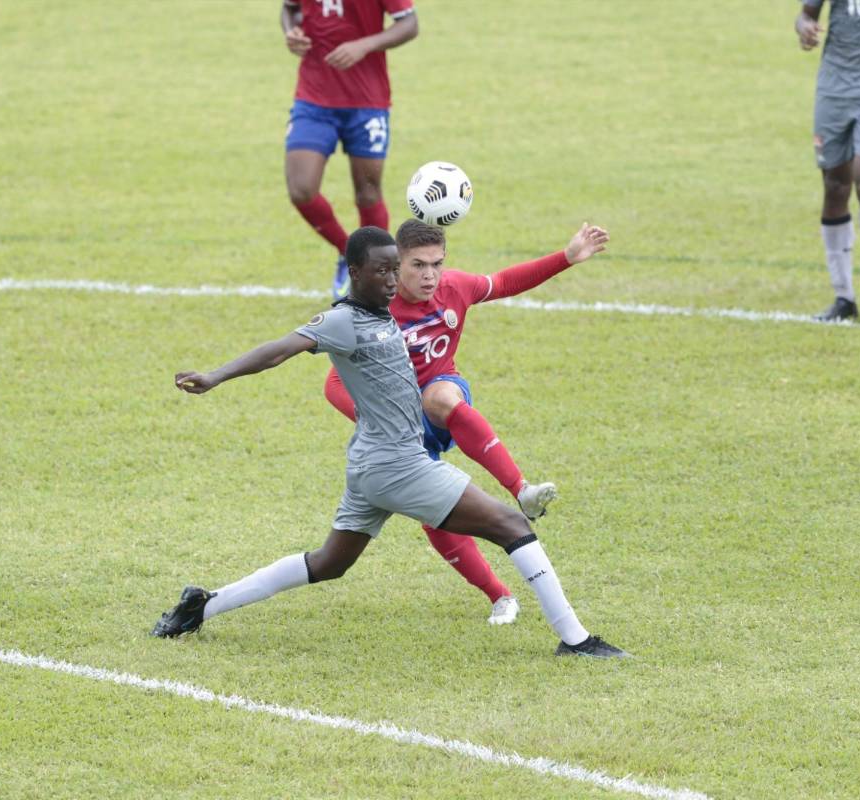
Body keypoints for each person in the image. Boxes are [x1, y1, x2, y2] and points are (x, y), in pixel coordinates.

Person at [152, 226, 628, 659]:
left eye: (393, 269)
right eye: (383, 270)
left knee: (329, 563)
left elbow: (493, 283)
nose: (389, 279)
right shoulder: (343, 320)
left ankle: (203, 606)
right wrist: (215, 376)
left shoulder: (387, 310)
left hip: (373, 464)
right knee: (509, 523)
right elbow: (280, 350)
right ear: (355, 273)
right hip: (397, 464)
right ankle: (577, 639)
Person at [322, 219, 608, 625]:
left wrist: (566, 257)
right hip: (401, 429)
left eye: (437, 264)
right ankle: (500, 595)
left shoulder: (454, 287)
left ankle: (521, 489)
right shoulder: (373, 312)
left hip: (443, 395)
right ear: (394, 265)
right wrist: (378, 418)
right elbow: (333, 384)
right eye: (418, 265)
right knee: (434, 515)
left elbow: (505, 282)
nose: (429, 275)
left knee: (440, 396)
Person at [280, 0, 419, 298]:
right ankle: (351, 255)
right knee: (301, 189)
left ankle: (378, 281)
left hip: (367, 102)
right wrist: (291, 32)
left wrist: (364, 45)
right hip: (313, 98)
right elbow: (290, 8)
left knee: (367, 192)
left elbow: (409, 24)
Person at [796, 1, 860, 321]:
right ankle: (843, 298)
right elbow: (806, 14)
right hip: (835, 88)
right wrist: (805, 29)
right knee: (835, 186)